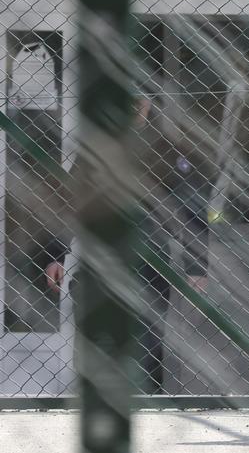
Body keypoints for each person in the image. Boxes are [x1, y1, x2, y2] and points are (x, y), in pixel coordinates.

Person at [42, 95, 214, 395]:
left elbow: (191, 209)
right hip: (100, 258)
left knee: (147, 339)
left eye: (139, 99)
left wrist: (196, 265)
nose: (133, 105)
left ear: (150, 103)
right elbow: (68, 204)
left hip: (151, 260)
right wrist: (55, 255)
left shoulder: (168, 148)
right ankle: (98, 397)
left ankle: (145, 401)